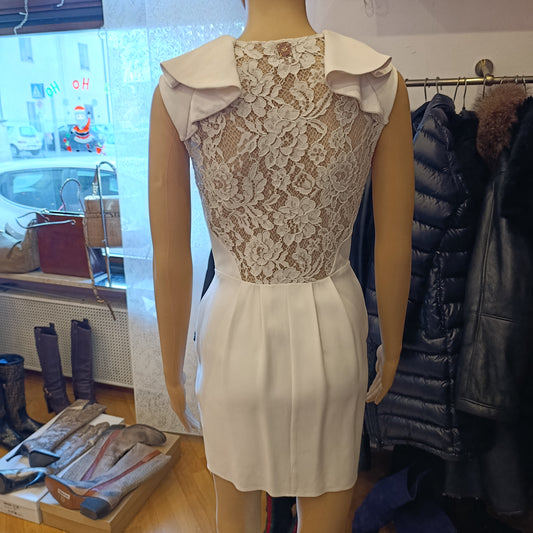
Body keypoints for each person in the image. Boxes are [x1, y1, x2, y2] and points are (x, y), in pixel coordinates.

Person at [148, 0, 414, 532]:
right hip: (332, 331)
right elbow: (394, 241)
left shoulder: (181, 89)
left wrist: (172, 369)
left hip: (232, 334)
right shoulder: (377, 81)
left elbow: (170, 253)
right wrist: (393, 348)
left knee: (235, 513)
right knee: (327, 513)